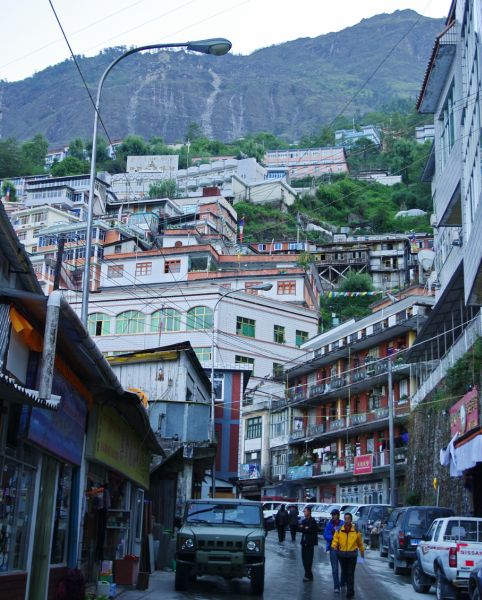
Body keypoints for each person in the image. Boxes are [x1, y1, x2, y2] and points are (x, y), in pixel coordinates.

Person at [331, 512, 365, 599]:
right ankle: (348, 588)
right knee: (345, 572)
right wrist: (334, 546)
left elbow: (360, 544)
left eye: (348, 519)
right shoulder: (339, 530)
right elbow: (335, 540)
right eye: (345, 518)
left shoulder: (356, 531)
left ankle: (350, 591)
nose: (346, 520)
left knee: (350, 573)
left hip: (352, 556)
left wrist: (362, 553)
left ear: (351, 520)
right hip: (342, 555)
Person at [323, 508, 344, 592]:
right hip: (333, 548)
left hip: (342, 549)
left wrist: (337, 537)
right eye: (332, 515)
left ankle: (342, 583)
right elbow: (325, 535)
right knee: (335, 568)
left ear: (338, 515)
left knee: (344, 568)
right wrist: (333, 537)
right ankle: (336, 586)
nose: (333, 516)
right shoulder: (329, 524)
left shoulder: (342, 524)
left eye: (334, 515)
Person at [300, 505, 318, 581]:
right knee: (304, 560)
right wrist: (305, 528)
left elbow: (310, 530)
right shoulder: (304, 521)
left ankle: (308, 575)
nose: (304, 512)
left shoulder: (312, 521)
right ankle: (309, 575)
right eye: (304, 511)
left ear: (309, 512)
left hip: (310, 543)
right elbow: (300, 528)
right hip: (303, 543)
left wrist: (305, 528)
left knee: (309, 560)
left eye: (305, 511)